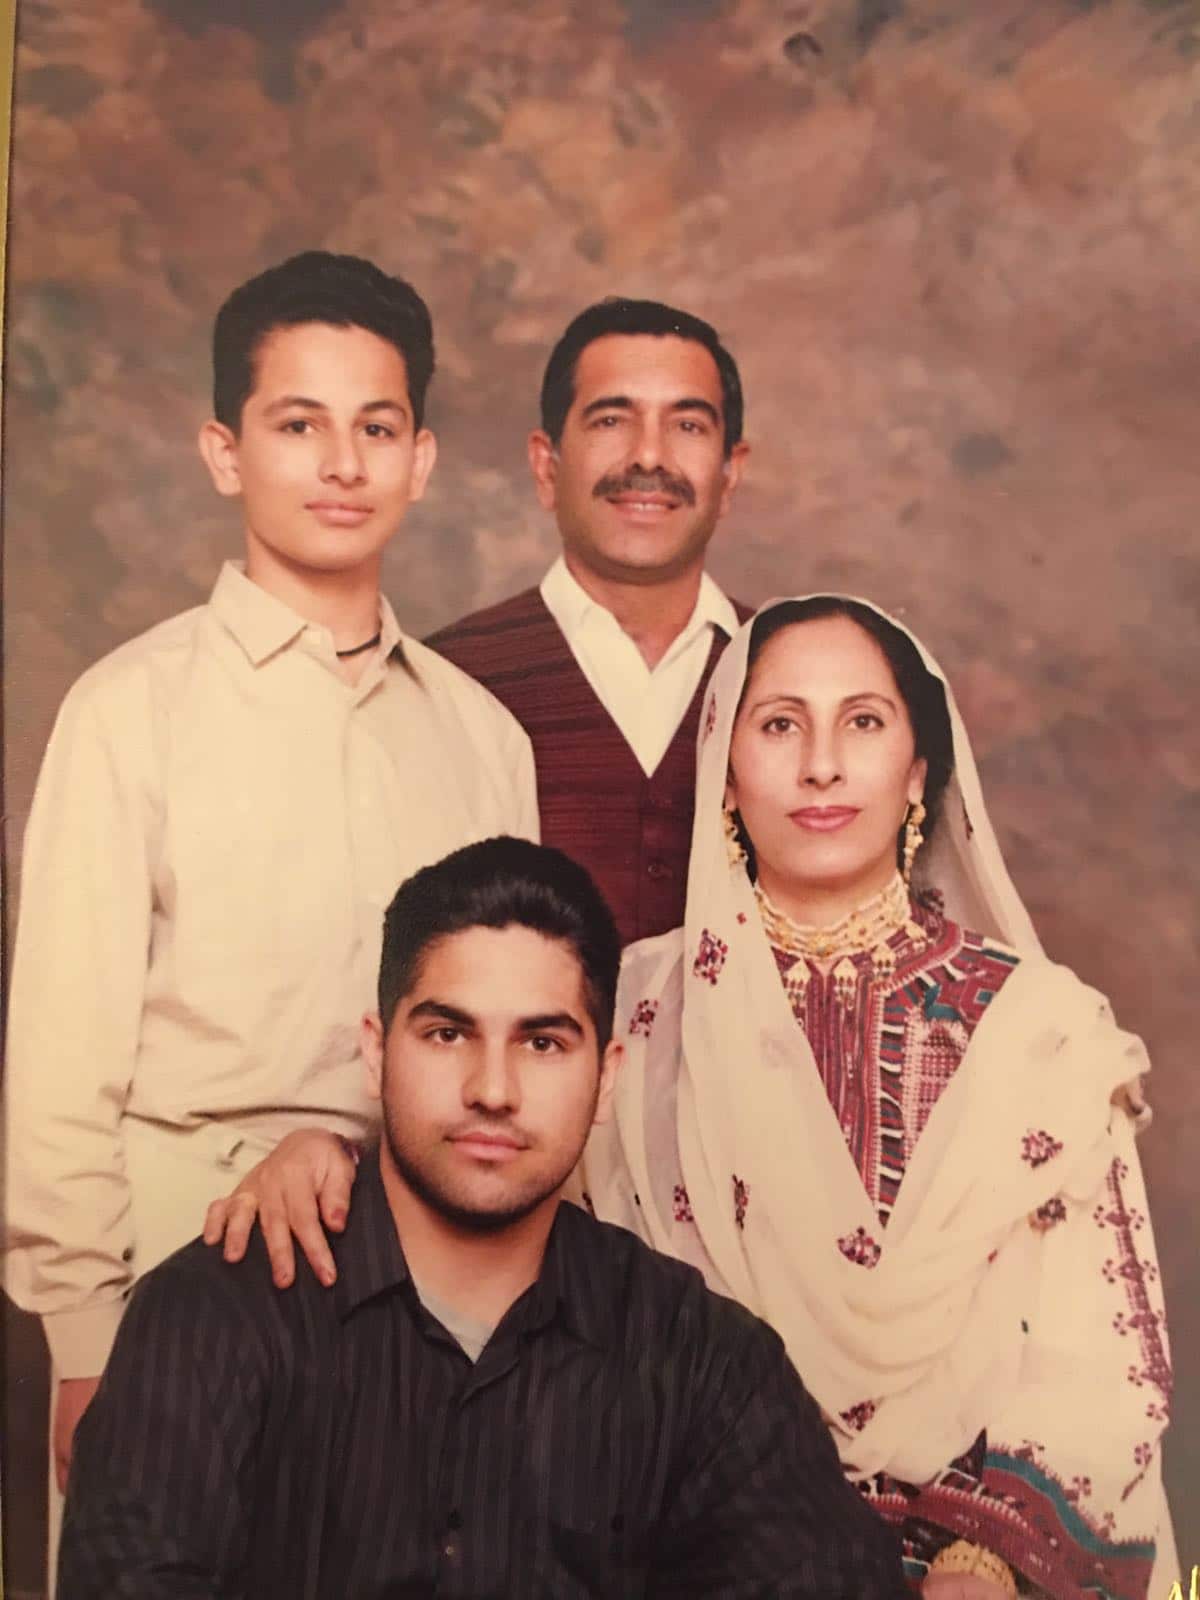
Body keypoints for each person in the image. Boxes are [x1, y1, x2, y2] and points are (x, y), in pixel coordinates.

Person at [218, 598, 1175, 1598]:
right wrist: (336, 1155)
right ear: (724, 765)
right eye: (780, 724)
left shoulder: (1041, 1031)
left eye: (862, 721)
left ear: (917, 771)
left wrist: (983, 1564)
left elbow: (1102, 1352)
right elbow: (503, 1228)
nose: (820, 765)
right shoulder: (631, 1012)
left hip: (978, 1566)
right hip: (681, 1544)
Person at [1, 251, 537, 1575]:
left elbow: (515, 1036)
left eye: (377, 428)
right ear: (225, 452)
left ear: (421, 459)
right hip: (176, 1256)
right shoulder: (130, 712)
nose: (342, 464)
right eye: (299, 424)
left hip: (423, 1272)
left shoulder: (483, 739)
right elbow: (62, 1058)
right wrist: (85, 1341)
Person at [60, 838, 910, 1599]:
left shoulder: (697, 1358)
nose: (492, 1090)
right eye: (447, 1034)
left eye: (543, 1043)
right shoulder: (212, 1318)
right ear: (375, 1053)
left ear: (607, 1077)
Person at [426, 297, 753, 945]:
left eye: (688, 425)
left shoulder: (787, 670)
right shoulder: (443, 679)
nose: (649, 457)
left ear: (730, 473)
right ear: (546, 466)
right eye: (611, 420)